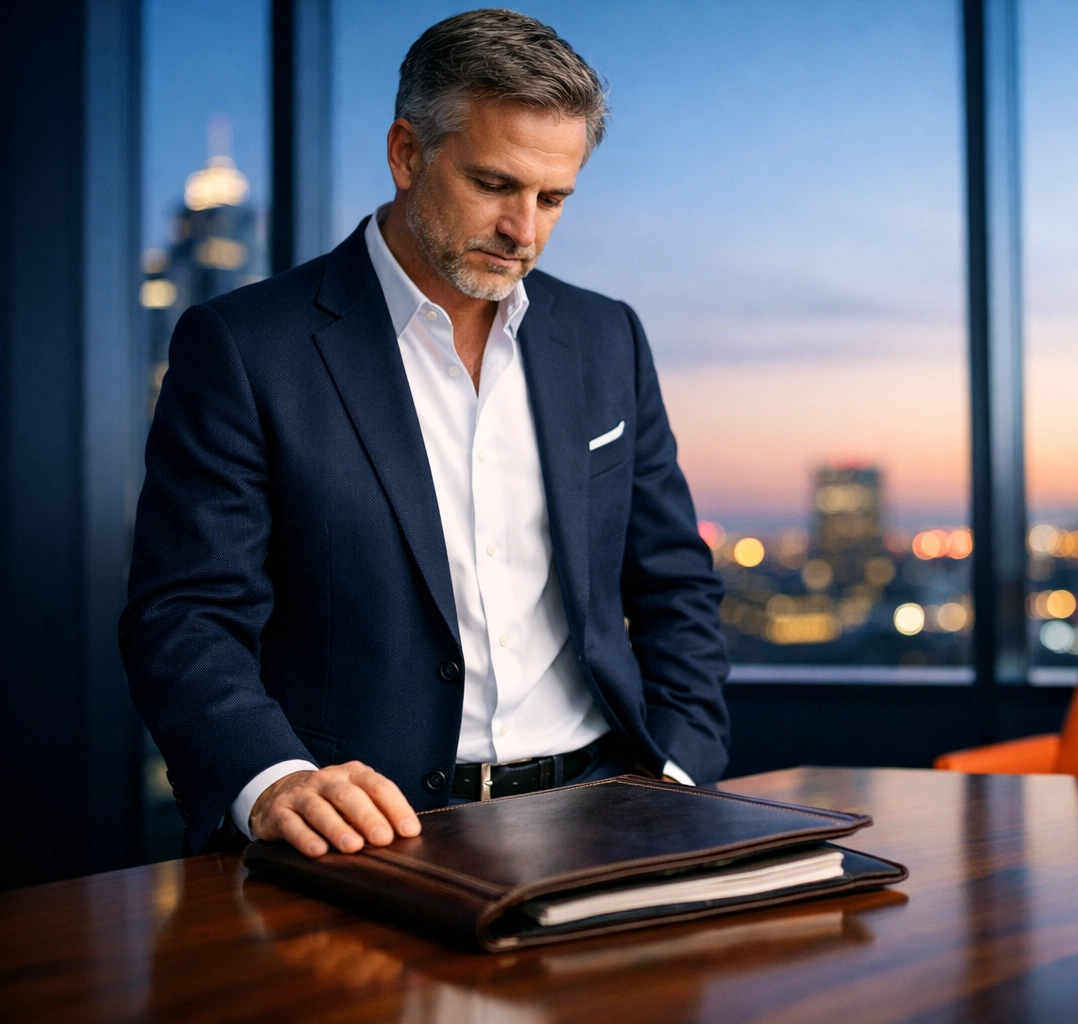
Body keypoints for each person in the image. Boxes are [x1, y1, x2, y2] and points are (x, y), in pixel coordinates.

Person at [120, 9, 729, 859]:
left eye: (553, 198)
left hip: (608, 814)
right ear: (408, 153)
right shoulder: (245, 346)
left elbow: (674, 584)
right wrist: (273, 779)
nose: (525, 230)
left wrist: (677, 773)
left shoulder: (606, 338)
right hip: (366, 836)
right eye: (494, 185)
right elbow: (184, 615)